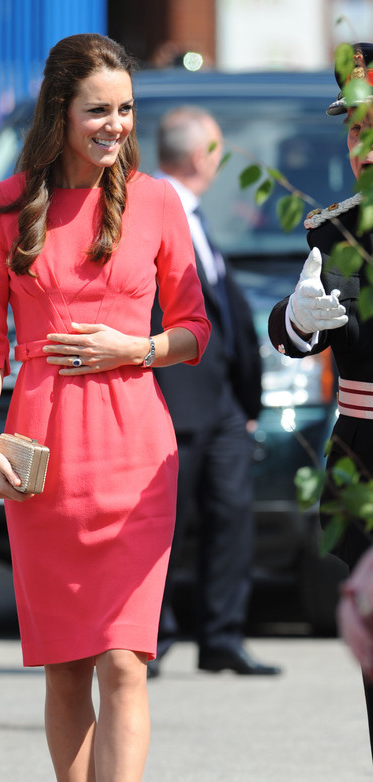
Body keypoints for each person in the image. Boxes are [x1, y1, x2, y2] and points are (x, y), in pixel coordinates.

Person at [0, 34, 210, 782]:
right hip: (43, 456)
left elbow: (193, 328)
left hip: (136, 455)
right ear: (60, 113)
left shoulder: (156, 203)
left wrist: (134, 346)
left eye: (127, 110)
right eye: (99, 110)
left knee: (123, 663)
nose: (116, 126)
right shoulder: (3, 209)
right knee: (65, 670)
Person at [268, 42, 373, 782]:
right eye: (351, 123)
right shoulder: (334, 227)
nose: (360, 138)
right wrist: (293, 325)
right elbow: (294, 320)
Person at [150, 106, 281, 677]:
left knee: (232, 516)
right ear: (203, 156)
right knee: (159, 528)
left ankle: (221, 637)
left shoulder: (198, 218)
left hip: (223, 402)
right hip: (173, 399)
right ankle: (147, 640)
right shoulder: (151, 212)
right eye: (218, 151)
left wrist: (246, 402)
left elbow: (223, 310)